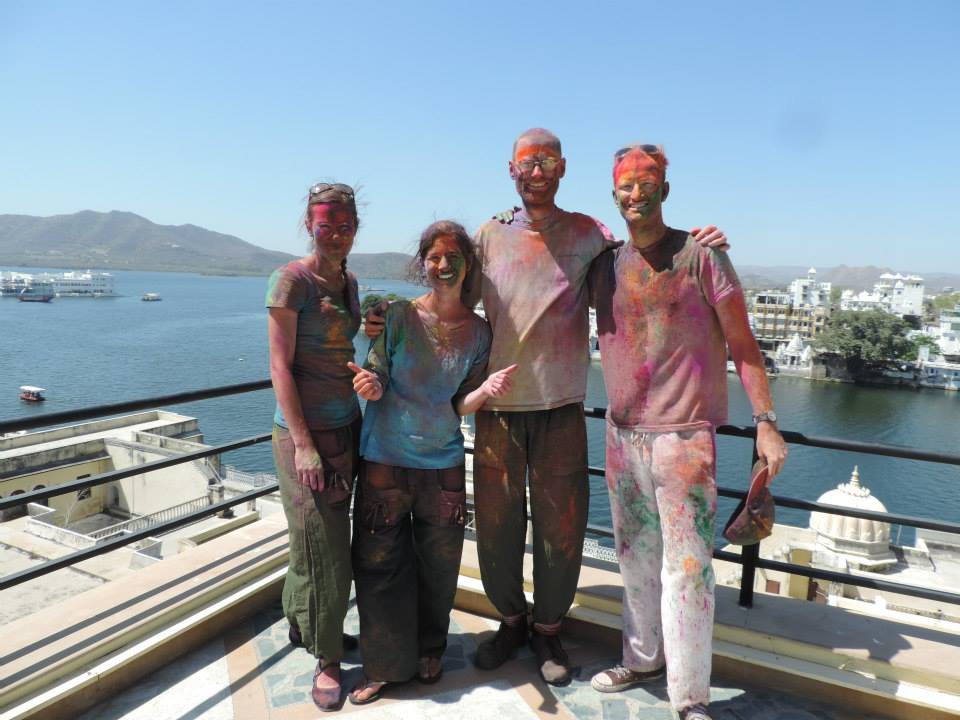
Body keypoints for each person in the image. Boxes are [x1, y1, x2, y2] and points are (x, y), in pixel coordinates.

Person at [364, 128, 727, 686]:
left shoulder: (588, 234)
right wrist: (390, 317)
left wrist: (698, 239)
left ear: (562, 170)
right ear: (511, 170)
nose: (536, 172)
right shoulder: (488, 235)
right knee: (495, 526)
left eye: (547, 162)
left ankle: (549, 628)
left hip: (561, 409)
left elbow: (645, 248)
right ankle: (512, 621)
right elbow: (449, 291)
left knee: (562, 526)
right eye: (527, 163)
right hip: (498, 411)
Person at [588, 145, 788, 720]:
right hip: (622, 435)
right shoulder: (605, 265)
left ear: (665, 191)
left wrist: (767, 425)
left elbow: (745, 347)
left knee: (690, 567)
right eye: (624, 185)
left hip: (685, 438)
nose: (635, 194)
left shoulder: (703, 258)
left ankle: (690, 694)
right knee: (634, 558)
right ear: (614, 194)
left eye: (645, 183)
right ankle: (643, 656)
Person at [347, 220, 517, 705]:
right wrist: (371, 385)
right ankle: (382, 665)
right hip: (383, 461)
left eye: (453, 258)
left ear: (469, 266)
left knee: (439, 566)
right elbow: (377, 374)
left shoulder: (480, 332)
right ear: (422, 263)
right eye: (434, 257)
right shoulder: (397, 316)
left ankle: (429, 650)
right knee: (379, 565)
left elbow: (460, 403)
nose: (443, 267)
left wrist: (483, 393)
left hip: (441, 464)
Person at [266, 182, 362, 712]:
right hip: (303, 436)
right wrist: (303, 444)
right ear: (310, 226)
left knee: (315, 540)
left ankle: (302, 622)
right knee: (326, 549)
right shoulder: (290, 280)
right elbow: (279, 366)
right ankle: (327, 658)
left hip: (346, 425)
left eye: (344, 225)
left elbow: (342, 350)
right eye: (326, 225)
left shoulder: (348, 281)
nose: (336, 233)